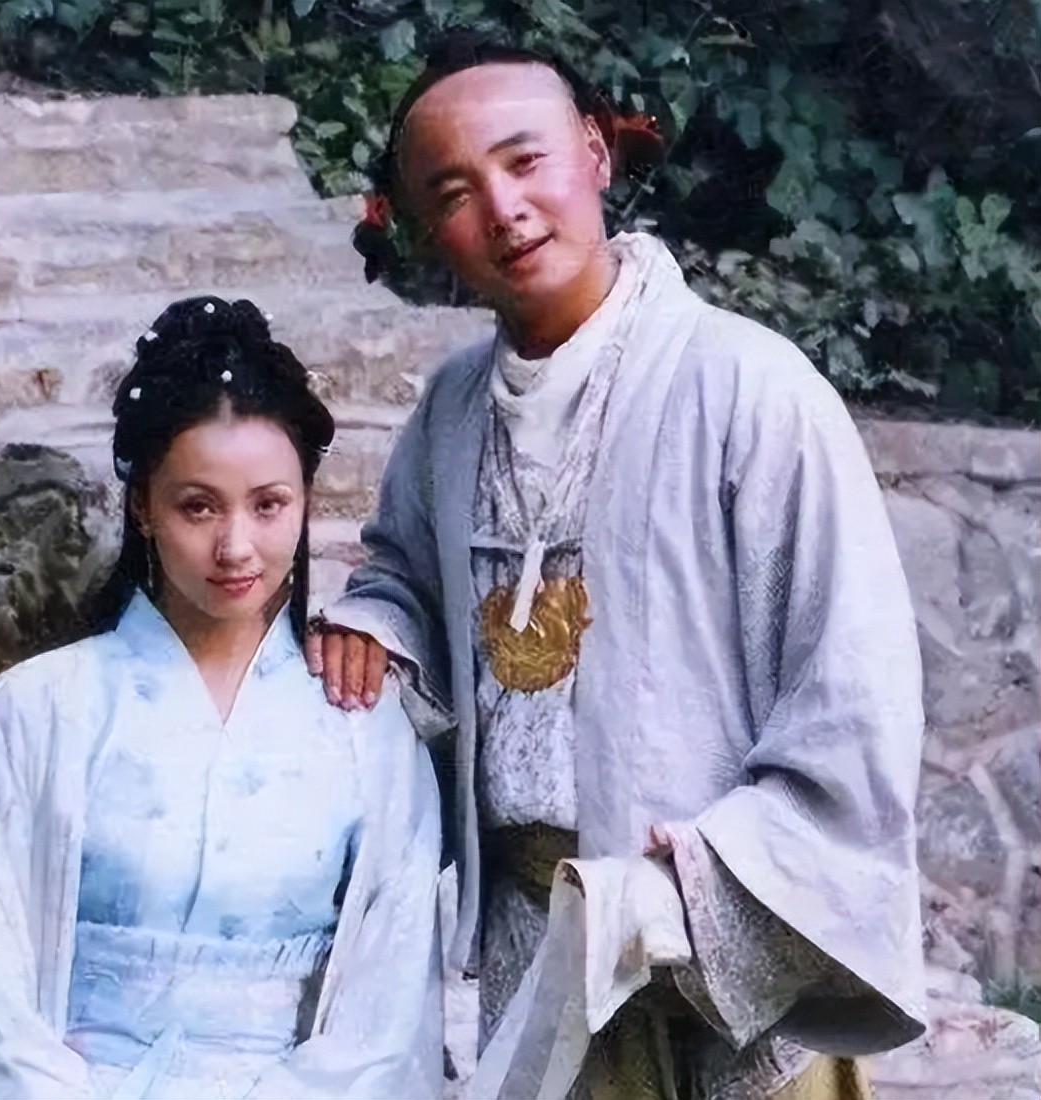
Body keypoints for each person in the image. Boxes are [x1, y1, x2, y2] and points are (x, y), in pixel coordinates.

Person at [310, 34, 927, 1100]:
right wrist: (379, 629)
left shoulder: (748, 386)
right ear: (419, 228)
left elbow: (852, 693)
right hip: (538, 941)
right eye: (452, 191)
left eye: (526, 160)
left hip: (717, 931)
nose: (503, 209)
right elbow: (403, 579)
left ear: (595, 152)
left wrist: (696, 884)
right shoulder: (449, 412)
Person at [0, 296, 443, 1100]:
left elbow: (387, 1012)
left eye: (269, 505)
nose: (236, 546)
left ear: (306, 502)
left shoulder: (365, 729)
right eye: (198, 506)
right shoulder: (41, 709)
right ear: (142, 507)